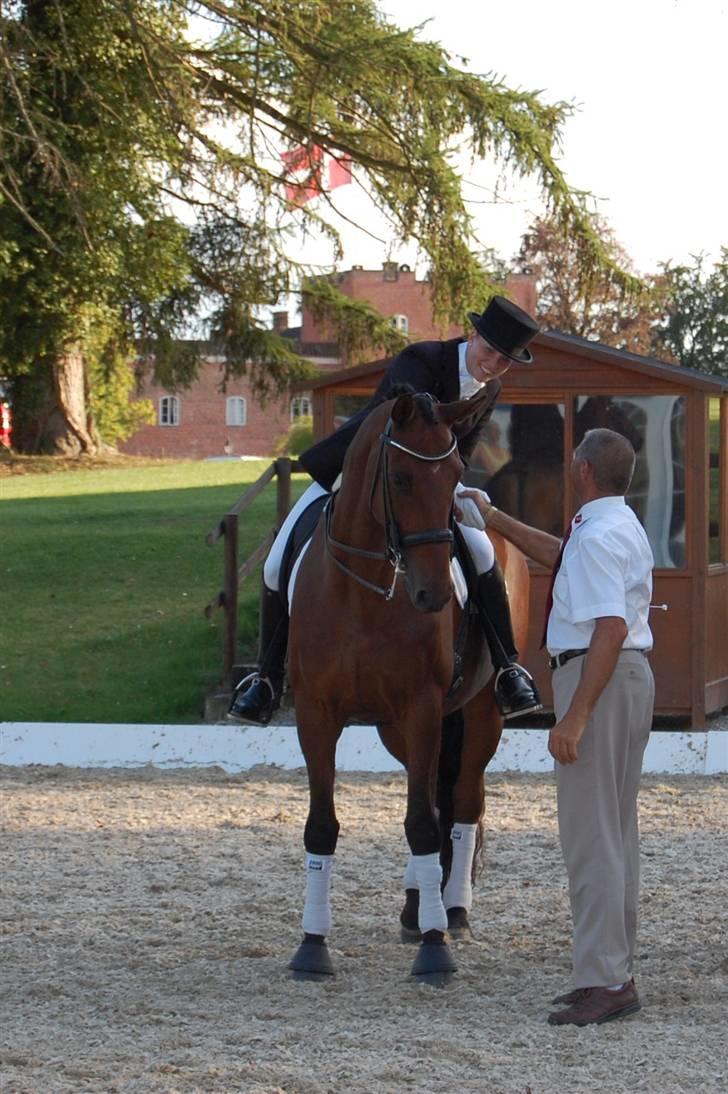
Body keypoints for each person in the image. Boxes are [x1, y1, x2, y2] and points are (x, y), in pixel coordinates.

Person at [227, 295, 543, 726]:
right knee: (277, 560)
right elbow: (403, 421)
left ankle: (507, 668)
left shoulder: (491, 389)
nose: (493, 365)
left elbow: (463, 450)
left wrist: (459, 489)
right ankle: (266, 678)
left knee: (484, 553)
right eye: (490, 351)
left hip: (425, 489)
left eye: (505, 361)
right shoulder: (421, 360)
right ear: (473, 336)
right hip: (355, 473)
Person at [461, 427, 655, 1026]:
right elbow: (557, 553)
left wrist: (574, 715)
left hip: (597, 677)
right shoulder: (613, 526)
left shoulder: (596, 538)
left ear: (582, 469)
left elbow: (610, 628)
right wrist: (495, 518)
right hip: (626, 680)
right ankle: (609, 970)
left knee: (591, 836)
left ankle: (606, 980)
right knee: (614, 831)